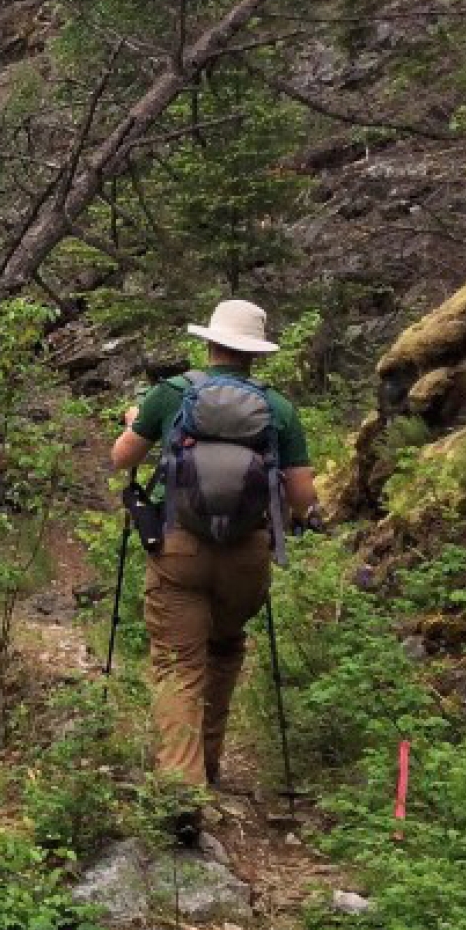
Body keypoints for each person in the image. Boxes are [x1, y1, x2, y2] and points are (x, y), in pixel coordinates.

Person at [110, 300, 317, 839]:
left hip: (180, 549)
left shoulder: (173, 393)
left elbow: (122, 458)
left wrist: (136, 422)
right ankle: (209, 761)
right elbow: (302, 497)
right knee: (224, 650)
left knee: (180, 664)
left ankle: (181, 790)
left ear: (210, 342)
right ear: (255, 352)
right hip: (246, 558)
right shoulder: (279, 410)